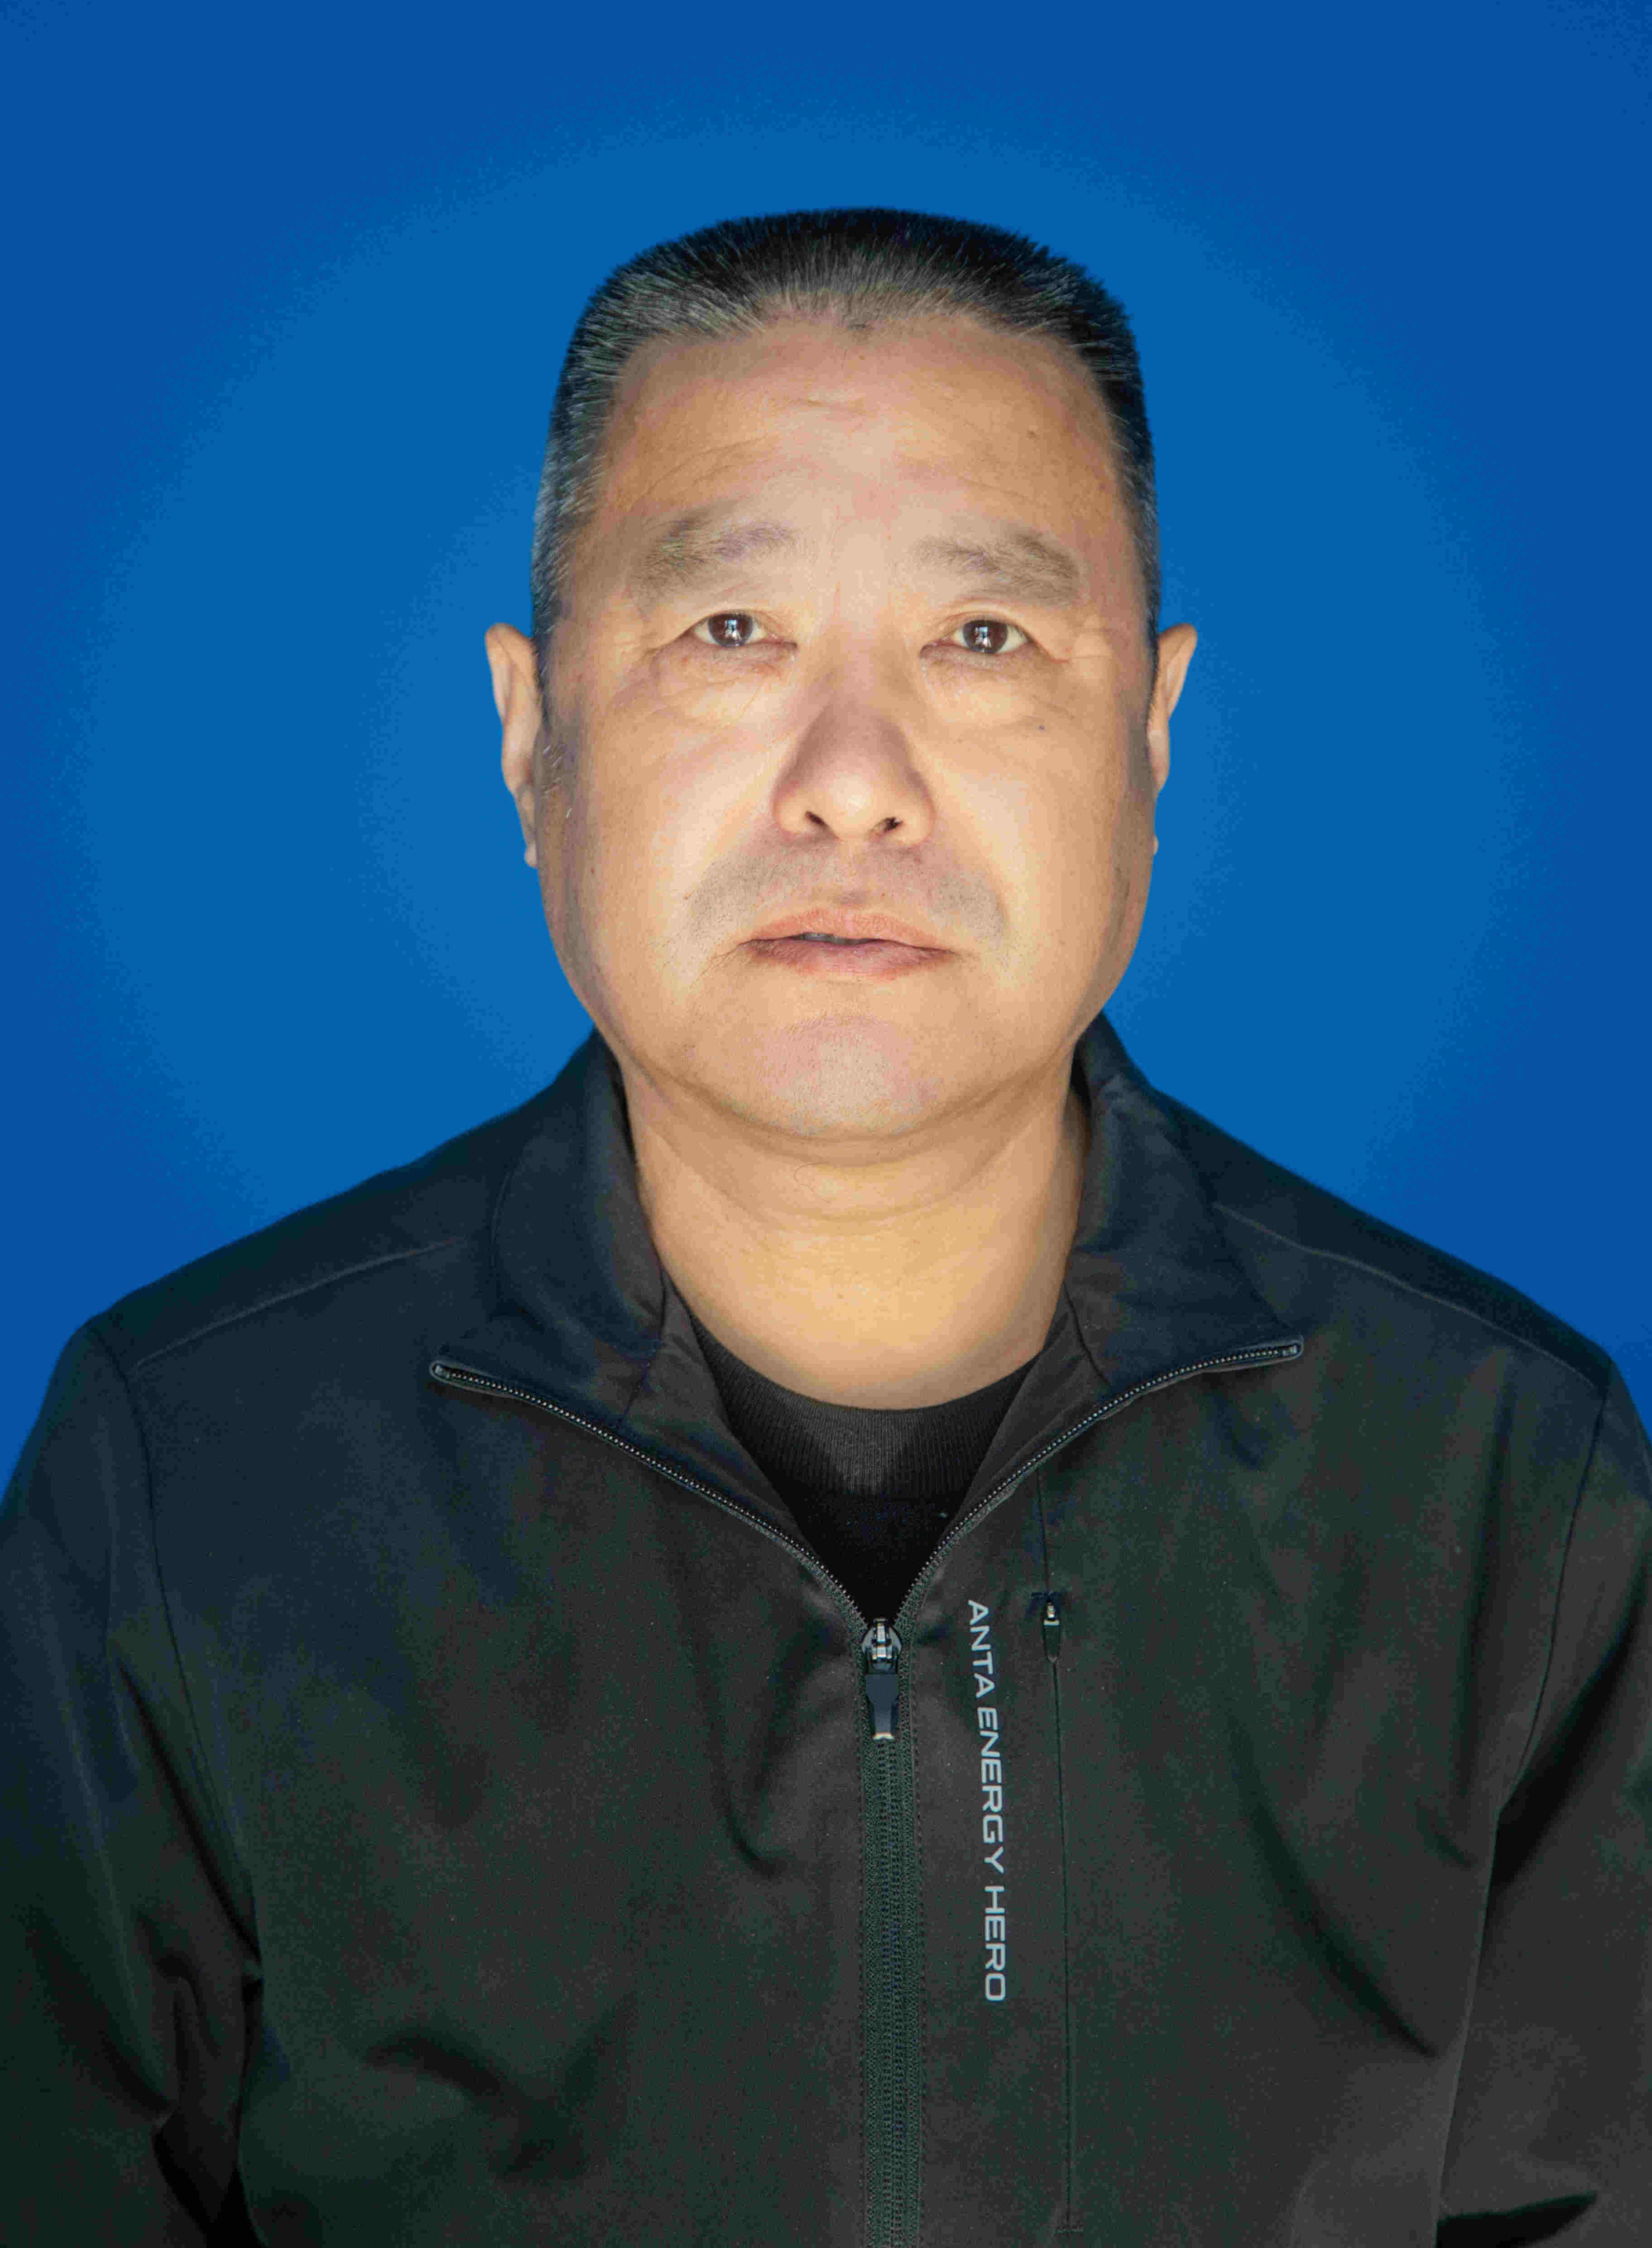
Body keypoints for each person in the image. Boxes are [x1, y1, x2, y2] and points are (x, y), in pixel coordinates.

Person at [3, 207, 1647, 2248]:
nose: (854, 785)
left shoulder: (1503, 1486)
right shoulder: (187, 1473)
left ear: (1150, 737)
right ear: (530, 736)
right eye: (730, 632)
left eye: (986, 641)